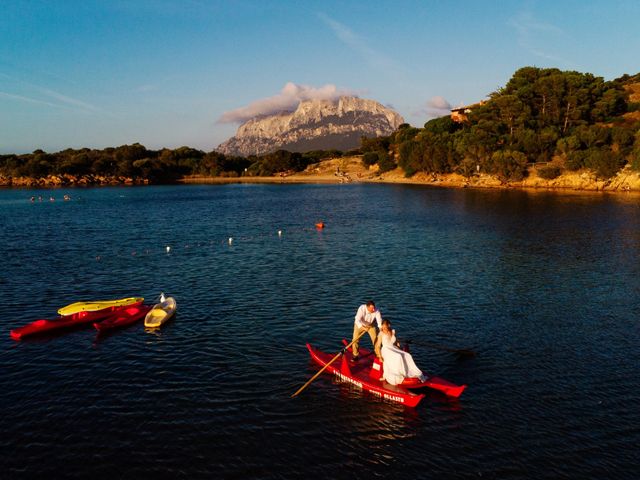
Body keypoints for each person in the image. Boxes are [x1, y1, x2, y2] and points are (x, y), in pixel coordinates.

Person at [374, 319, 425, 385]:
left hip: (393, 348)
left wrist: (398, 346)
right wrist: (380, 356)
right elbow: (378, 346)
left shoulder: (393, 331)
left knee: (407, 355)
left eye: (385, 326)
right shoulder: (381, 333)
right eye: (383, 326)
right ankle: (399, 374)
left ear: (388, 325)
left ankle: (407, 372)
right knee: (398, 356)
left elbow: (395, 341)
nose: (384, 328)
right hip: (386, 350)